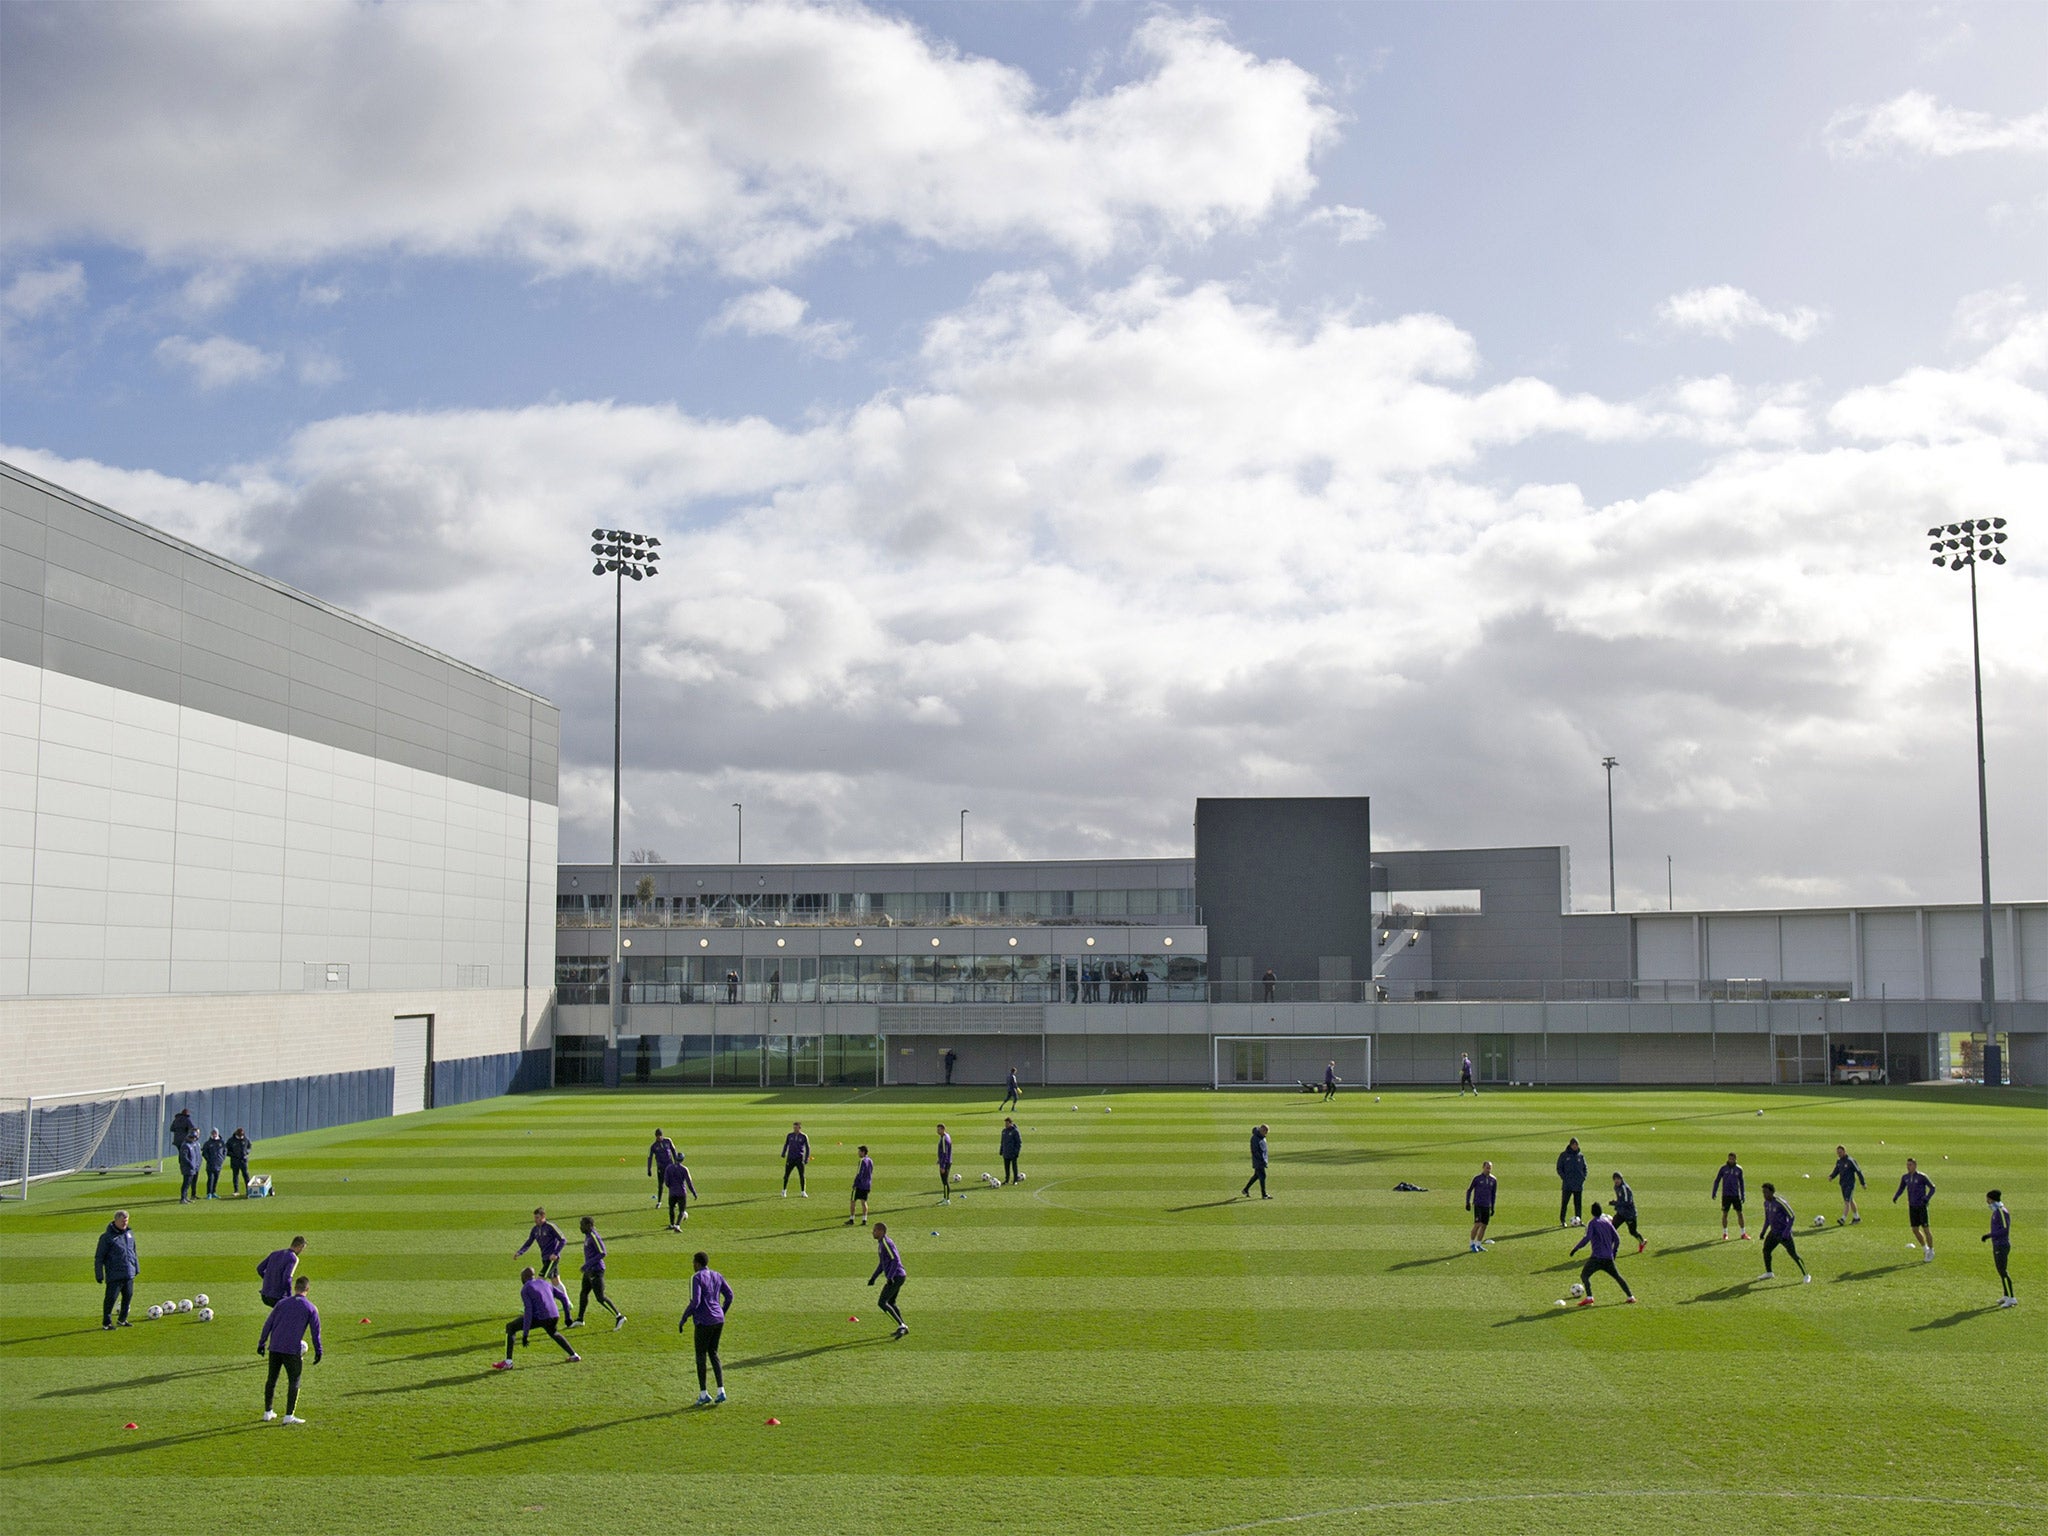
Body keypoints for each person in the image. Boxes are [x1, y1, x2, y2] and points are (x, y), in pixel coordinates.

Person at [258, 1275, 323, 1423]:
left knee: (271, 1379)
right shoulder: (310, 1308)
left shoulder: (281, 1303)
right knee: (294, 1380)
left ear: (295, 1288)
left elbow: (268, 1324)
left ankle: (268, 1412)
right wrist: (319, 1351)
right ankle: (289, 1416)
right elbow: (315, 1333)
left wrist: (261, 1343)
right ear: (308, 1289)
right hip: (291, 1350)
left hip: (274, 1347)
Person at [496, 1265, 580, 1368]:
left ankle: (508, 1362)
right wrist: (567, 1317)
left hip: (540, 1317)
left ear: (523, 1278)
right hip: (554, 1316)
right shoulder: (545, 1283)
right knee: (553, 1332)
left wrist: (525, 1334)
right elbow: (563, 1297)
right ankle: (574, 1355)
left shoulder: (526, 1288)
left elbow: (528, 1311)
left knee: (511, 1327)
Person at [680, 1250, 733, 1403]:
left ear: (697, 1263)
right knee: (714, 1353)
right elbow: (729, 1296)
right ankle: (721, 1390)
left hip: (704, 1321)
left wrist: (684, 1317)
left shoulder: (696, 1277)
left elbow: (695, 1302)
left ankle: (703, 1394)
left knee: (700, 1356)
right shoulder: (717, 1275)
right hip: (718, 1320)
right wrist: (721, 1312)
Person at [1568, 1201, 1635, 1305]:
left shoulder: (1592, 1223)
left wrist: (1575, 1249)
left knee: (1584, 1276)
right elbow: (1617, 1239)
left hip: (1596, 1258)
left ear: (1592, 1212)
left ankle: (1589, 1297)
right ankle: (1630, 1296)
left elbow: (1587, 1238)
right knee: (1617, 1277)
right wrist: (1614, 1252)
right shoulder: (1607, 1222)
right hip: (1608, 1258)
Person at [576, 1215, 625, 1330]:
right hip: (589, 1271)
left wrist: (587, 1265)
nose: (580, 1227)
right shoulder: (588, 1235)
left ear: (589, 1225)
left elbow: (603, 1252)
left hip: (596, 1271)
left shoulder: (593, 1236)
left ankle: (619, 1316)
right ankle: (580, 1319)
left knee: (600, 1297)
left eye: (582, 1225)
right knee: (583, 1293)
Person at [94, 1209, 138, 1329]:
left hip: (129, 1272)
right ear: (115, 1221)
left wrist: (136, 1268)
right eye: (123, 1222)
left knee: (128, 1296)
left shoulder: (129, 1234)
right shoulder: (106, 1237)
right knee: (111, 1299)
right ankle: (106, 1323)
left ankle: (122, 1319)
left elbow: (133, 1251)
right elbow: (99, 1257)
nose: (125, 1224)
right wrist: (99, 1274)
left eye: (126, 1221)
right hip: (115, 1274)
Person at [1758, 1182, 1810, 1282]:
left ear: (1772, 1192)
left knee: (1793, 1254)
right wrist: (1763, 1232)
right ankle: (1769, 1273)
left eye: (1766, 1192)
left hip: (1783, 1234)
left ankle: (1806, 1275)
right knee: (1766, 1250)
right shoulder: (1766, 1204)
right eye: (1763, 1193)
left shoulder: (1780, 1202)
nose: (1764, 1195)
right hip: (1773, 1233)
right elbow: (1767, 1219)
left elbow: (1792, 1216)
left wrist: (1786, 1232)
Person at [868, 1222, 909, 1338]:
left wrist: (890, 1277)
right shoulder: (881, 1243)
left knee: (882, 1302)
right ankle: (902, 1326)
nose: (873, 1232)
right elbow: (882, 1264)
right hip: (898, 1276)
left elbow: (895, 1259)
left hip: (897, 1276)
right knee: (891, 1302)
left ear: (881, 1231)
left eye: (875, 1230)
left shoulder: (886, 1243)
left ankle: (902, 1325)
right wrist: (873, 1278)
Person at [1894, 1157, 1937, 1263]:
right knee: (1914, 1229)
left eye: (1910, 1165)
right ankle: (1925, 1248)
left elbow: (1932, 1188)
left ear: (1915, 1165)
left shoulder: (1922, 1177)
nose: (1908, 1167)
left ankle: (1931, 1250)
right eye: (1907, 1165)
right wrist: (1896, 1196)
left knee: (1926, 1229)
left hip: (1921, 1206)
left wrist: (1927, 1198)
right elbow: (1901, 1188)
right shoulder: (1905, 1177)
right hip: (1912, 1206)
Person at [516, 1207, 568, 1280]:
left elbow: (563, 1240)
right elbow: (529, 1241)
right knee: (555, 1281)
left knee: (540, 1280)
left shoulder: (550, 1227)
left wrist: (555, 1253)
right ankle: (561, 1292)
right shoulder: (535, 1229)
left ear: (543, 1216)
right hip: (544, 1257)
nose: (535, 1220)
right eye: (535, 1218)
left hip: (551, 1259)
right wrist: (520, 1252)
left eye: (537, 1217)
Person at [1983, 1190, 2015, 1307]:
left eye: (1988, 1199)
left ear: (1992, 1199)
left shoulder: (2001, 1211)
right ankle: (2006, 1295)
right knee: (2001, 1271)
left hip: (2001, 1245)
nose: (1987, 1202)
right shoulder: (1997, 1211)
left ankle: (2011, 1298)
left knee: (2003, 1271)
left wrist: (1989, 1235)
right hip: (1997, 1244)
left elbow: (2005, 1230)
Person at [258, 1236, 306, 1307]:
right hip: (277, 1297)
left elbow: (259, 1269)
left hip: (265, 1295)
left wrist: (270, 1281)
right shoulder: (293, 1258)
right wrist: (289, 1297)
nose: (301, 1251)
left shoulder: (274, 1254)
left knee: (278, 1315)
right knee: (290, 1315)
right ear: (299, 1246)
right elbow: (287, 1278)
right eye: (302, 1249)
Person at [1711, 1153, 1749, 1240]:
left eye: (1732, 1159)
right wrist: (1714, 1191)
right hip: (1726, 1195)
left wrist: (1743, 1194)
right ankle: (1725, 1233)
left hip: (1736, 1195)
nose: (1731, 1160)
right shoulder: (1723, 1169)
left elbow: (1742, 1183)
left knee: (1740, 1213)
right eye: (1729, 1159)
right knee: (1725, 1214)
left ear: (1736, 1159)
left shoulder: (1739, 1169)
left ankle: (1743, 1233)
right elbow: (1717, 1180)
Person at [1828, 1144, 1866, 1225]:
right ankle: (1857, 1218)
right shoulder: (1839, 1161)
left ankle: (1843, 1219)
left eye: (1840, 1152)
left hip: (1850, 1184)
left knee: (1847, 1201)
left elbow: (1858, 1171)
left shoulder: (1850, 1161)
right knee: (1851, 1200)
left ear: (1844, 1152)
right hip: (1843, 1184)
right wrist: (1831, 1176)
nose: (1839, 1154)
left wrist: (1863, 1183)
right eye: (1838, 1152)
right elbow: (1837, 1170)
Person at [1556, 1137, 1588, 1227]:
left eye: (1576, 1145)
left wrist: (1583, 1178)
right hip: (1567, 1184)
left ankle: (1579, 1219)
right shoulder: (1564, 1155)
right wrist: (1564, 1178)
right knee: (1565, 1203)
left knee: (1578, 1204)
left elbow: (1585, 1168)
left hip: (1578, 1184)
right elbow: (1559, 1168)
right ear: (1570, 1145)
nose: (1575, 1146)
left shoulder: (1580, 1156)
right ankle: (1562, 1220)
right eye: (1574, 1145)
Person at [1610, 1172, 1646, 1253]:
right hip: (1621, 1213)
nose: (1616, 1181)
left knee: (1632, 1232)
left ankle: (1642, 1242)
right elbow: (1621, 1199)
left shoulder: (1624, 1188)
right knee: (1612, 1228)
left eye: (1618, 1179)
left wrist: (1616, 1203)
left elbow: (1627, 1202)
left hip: (1629, 1215)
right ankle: (1608, 1248)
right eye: (1615, 1179)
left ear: (1621, 1179)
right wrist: (1616, 1204)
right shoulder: (1616, 1187)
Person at [1465, 1160, 1496, 1252]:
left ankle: (1478, 1244)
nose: (1488, 1169)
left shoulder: (1493, 1180)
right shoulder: (1477, 1178)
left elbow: (1493, 1194)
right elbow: (1469, 1190)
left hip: (1487, 1205)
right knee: (1477, 1224)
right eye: (1487, 1167)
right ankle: (1471, 1243)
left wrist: (1493, 1207)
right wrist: (1467, 1202)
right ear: (1483, 1167)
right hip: (1478, 1204)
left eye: (1490, 1168)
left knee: (1484, 1225)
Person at [663, 1156, 698, 1229]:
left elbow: (666, 1181)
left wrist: (671, 1187)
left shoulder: (668, 1168)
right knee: (682, 1210)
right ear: (682, 1160)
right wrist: (694, 1192)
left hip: (672, 1192)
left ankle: (672, 1224)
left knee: (671, 1208)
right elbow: (689, 1182)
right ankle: (677, 1225)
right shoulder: (684, 1169)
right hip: (681, 1192)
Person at [647, 1128, 678, 1204]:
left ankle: (674, 1201)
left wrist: (676, 1162)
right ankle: (659, 1202)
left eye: (660, 1136)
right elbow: (650, 1158)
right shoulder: (654, 1146)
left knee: (672, 1184)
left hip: (670, 1166)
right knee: (660, 1185)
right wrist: (649, 1169)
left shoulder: (668, 1141)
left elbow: (674, 1151)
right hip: (661, 1168)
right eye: (657, 1136)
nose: (659, 1138)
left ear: (662, 1135)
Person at [780, 1121, 811, 1197]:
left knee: (802, 1175)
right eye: (793, 1127)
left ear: (799, 1128)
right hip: (790, 1158)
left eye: (796, 1127)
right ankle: (784, 1191)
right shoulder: (790, 1135)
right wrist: (783, 1153)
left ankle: (803, 1192)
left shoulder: (804, 1136)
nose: (794, 1129)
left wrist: (806, 1158)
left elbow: (808, 1148)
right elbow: (786, 1144)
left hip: (799, 1159)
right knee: (786, 1175)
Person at [1241, 1123, 1270, 1200]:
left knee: (1256, 1176)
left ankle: (1245, 1189)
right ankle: (1264, 1194)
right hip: (1259, 1161)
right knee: (1262, 1176)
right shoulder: (1255, 1138)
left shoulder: (1261, 1136)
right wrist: (1262, 1160)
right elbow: (1255, 1151)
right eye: (1265, 1132)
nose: (1266, 1134)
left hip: (1261, 1160)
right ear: (1262, 1130)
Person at [848, 1146, 874, 1226]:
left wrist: (855, 1184)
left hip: (859, 1185)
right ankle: (864, 1219)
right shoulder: (870, 1161)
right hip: (867, 1185)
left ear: (863, 1152)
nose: (858, 1153)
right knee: (864, 1202)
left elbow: (859, 1173)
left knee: (853, 1201)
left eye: (859, 1151)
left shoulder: (862, 1161)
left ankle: (852, 1219)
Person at [200, 1128, 227, 1199]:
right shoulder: (208, 1143)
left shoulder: (221, 1142)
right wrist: (209, 1160)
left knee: (216, 1179)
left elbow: (225, 1151)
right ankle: (209, 1193)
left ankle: (214, 1192)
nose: (214, 1134)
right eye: (213, 1133)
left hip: (218, 1164)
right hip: (210, 1164)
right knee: (210, 1179)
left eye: (215, 1133)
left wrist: (222, 1159)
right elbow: (204, 1153)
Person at [226, 1127, 253, 1195]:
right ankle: (236, 1190)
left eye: (242, 1135)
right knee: (235, 1175)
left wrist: (247, 1152)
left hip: (243, 1160)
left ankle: (248, 1189)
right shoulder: (231, 1140)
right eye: (240, 1136)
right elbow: (226, 1150)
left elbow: (249, 1147)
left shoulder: (246, 1139)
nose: (241, 1137)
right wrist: (233, 1155)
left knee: (246, 1175)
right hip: (235, 1161)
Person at [176, 1134, 202, 1204]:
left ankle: (185, 1197)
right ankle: (182, 1198)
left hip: (192, 1167)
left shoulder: (191, 1145)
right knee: (186, 1183)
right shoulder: (185, 1145)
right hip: (187, 1168)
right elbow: (184, 1157)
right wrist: (191, 1164)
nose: (194, 1139)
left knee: (188, 1183)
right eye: (193, 1138)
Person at [1000, 1117, 1023, 1185]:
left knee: (1014, 1167)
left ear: (1011, 1123)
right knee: (1006, 1167)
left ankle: (1015, 1180)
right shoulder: (1004, 1131)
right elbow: (1002, 1142)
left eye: (1007, 1123)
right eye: (1005, 1123)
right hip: (1006, 1152)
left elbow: (1019, 1142)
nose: (1006, 1125)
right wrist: (1001, 1150)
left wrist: (1016, 1152)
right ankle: (1007, 1180)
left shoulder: (1015, 1131)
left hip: (1013, 1153)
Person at [936, 1123, 953, 1203]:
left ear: (943, 1129)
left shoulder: (944, 1139)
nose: (937, 1131)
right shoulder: (947, 1136)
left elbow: (944, 1153)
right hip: (947, 1162)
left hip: (945, 1163)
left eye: (939, 1129)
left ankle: (947, 1199)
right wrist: (939, 1159)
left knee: (945, 1181)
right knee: (944, 1181)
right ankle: (945, 1197)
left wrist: (942, 1166)